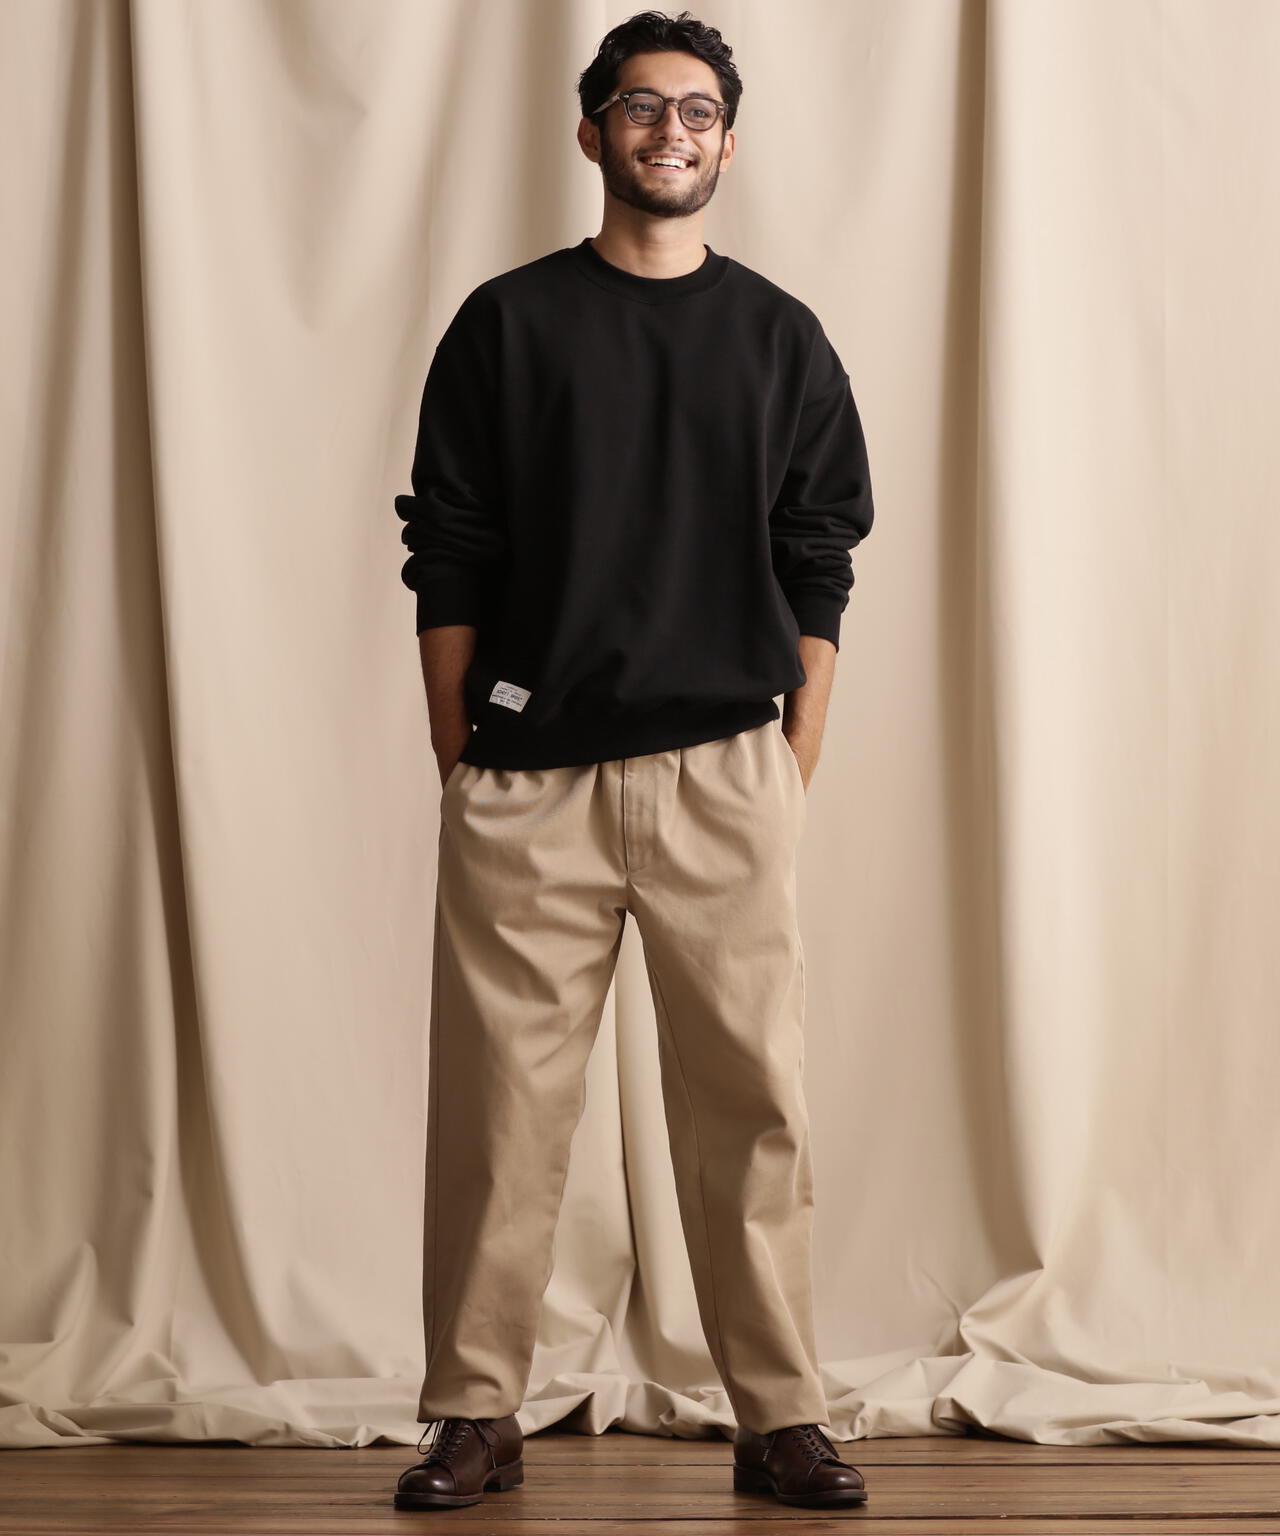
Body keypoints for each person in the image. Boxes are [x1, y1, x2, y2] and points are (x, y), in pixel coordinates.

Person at [392, 8, 874, 1514]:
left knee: (752, 1107)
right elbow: (448, 539)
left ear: (729, 141)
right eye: (644, 106)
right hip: (529, 777)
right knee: (500, 1113)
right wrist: (461, 745)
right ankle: (476, 1411)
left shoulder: (780, 337)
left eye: (700, 110)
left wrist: (791, 753)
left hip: (724, 771)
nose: (673, 131)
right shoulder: (508, 324)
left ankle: (780, 1415)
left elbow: (819, 550)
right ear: (592, 127)